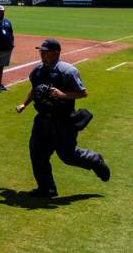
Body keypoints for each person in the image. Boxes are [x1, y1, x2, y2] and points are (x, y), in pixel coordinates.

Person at [16, 39, 110, 197]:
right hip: (42, 120)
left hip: (62, 121)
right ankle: (47, 188)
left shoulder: (68, 71)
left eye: (45, 51)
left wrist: (63, 95)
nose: (42, 54)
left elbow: (82, 93)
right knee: (37, 153)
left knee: (68, 156)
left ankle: (95, 160)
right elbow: (34, 89)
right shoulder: (37, 70)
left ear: (56, 52)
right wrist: (24, 104)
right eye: (41, 51)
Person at [0, 5, 14, 91]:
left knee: (1, 67)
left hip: (7, 48)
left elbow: (11, 33)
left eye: (2, 11)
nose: (1, 13)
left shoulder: (7, 21)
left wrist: (12, 44)